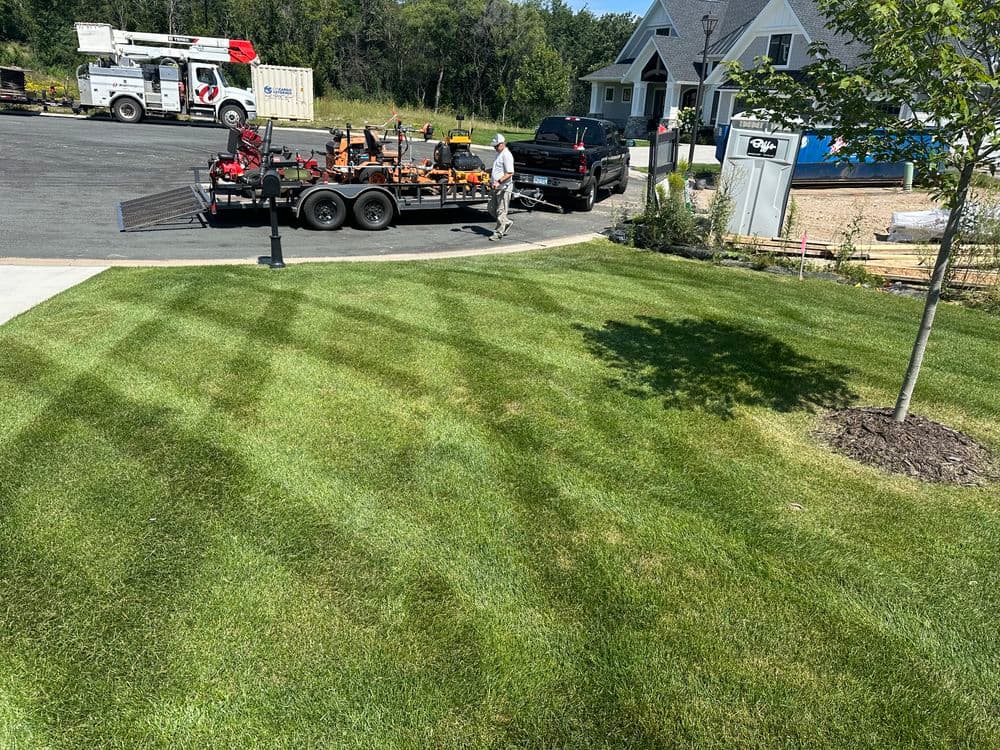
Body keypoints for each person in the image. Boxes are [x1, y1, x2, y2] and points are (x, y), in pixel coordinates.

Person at [487, 133, 515, 241]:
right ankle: (506, 222)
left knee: (501, 211)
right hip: (496, 187)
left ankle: (498, 233)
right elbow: (497, 169)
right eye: (494, 146)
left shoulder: (506, 155)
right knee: (491, 208)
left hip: (504, 187)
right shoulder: (499, 154)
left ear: (502, 144)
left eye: (496, 146)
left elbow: (509, 173)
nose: (495, 148)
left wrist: (498, 182)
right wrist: (487, 171)